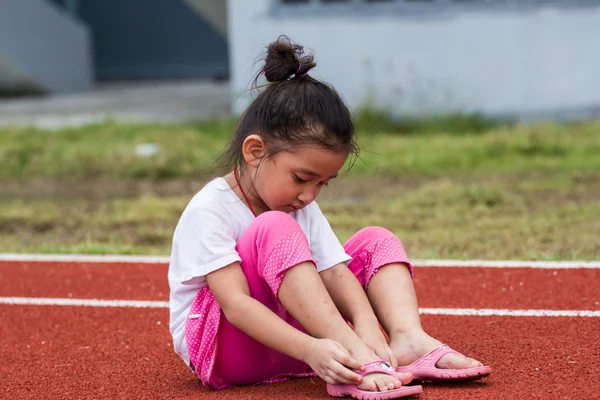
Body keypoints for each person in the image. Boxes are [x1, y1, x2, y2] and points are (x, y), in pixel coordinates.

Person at [168, 35, 491, 399]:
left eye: (324, 183)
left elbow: (335, 271)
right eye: (301, 178)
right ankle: (350, 356)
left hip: (307, 349)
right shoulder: (209, 209)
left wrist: (368, 329)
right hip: (229, 353)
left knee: (375, 240)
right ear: (255, 151)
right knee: (273, 228)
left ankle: (408, 342)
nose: (309, 195)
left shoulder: (299, 204)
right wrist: (316, 348)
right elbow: (237, 305)